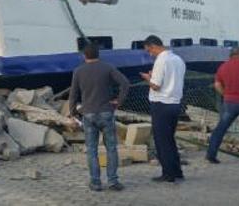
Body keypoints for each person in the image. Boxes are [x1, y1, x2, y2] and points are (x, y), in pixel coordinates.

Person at [69, 42, 130, 192]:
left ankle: (95, 182)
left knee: (92, 149)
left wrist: (73, 113)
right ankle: (113, 181)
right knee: (111, 148)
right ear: (98, 54)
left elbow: (73, 94)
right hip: (106, 112)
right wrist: (118, 101)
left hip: (88, 113)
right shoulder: (107, 67)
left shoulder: (78, 71)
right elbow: (125, 83)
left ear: (84, 55)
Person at [139, 35, 186, 183]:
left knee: (162, 141)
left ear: (153, 46)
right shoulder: (178, 60)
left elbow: (156, 85)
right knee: (170, 139)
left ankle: (168, 174)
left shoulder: (161, 60)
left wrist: (148, 78)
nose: (150, 54)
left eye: (149, 51)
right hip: (175, 103)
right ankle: (177, 171)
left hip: (161, 104)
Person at [206, 47, 239, 163]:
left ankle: (211, 154)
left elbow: (217, 85)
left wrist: (226, 94)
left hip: (229, 102)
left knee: (220, 129)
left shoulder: (222, 67)